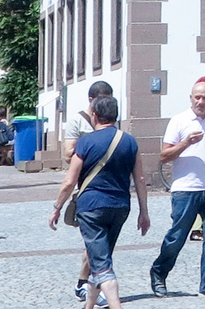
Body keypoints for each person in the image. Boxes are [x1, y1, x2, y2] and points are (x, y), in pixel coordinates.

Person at [51, 95, 150, 309]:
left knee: (103, 264)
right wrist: (144, 213)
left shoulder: (85, 142)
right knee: (100, 259)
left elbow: (70, 180)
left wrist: (57, 208)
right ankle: (88, 306)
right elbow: (140, 179)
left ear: (94, 116)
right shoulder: (130, 141)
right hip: (120, 207)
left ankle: (116, 305)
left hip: (92, 208)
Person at [149, 76, 205, 299]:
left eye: (204, 98)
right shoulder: (179, 120)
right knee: (178, 236)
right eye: (197, 97)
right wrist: (186, 143)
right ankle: (158, 273)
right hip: (185, 188)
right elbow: (164, 156)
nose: (200, 101)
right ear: (190, 98)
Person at [65, 81, 117, 302]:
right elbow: (68, 153)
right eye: (102, 99)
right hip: (87, 187)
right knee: (96, 244)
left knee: (98, 244)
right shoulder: (77, 120)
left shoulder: (110, 119)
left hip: (111, 188)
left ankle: (86, 285)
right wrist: (92, 144)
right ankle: (89, 287)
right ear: (91, 100)